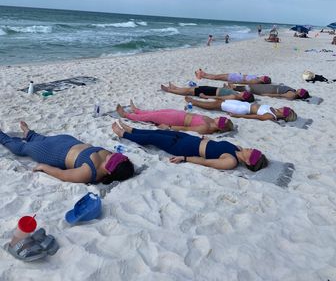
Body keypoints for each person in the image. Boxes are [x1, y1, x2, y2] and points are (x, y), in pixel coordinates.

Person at [0, 121, 134, 184]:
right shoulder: (111, 158)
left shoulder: (88, 173)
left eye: (111, 160)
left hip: (52, 153)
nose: (110, 155)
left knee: (21, 149)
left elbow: (62, 174)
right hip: (68, 141)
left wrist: (43, 167)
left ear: (110, 171)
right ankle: (28, 133)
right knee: (41, 138)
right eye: (115, 156)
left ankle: (2, 136)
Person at [112, 121, 268, 172]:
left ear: (248, 162)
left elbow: (206, 162)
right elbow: (216, 146)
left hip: (183, 148)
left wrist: (184, 158)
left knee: (153, 138)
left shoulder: (231, 161)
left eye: (253, 154)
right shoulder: (238, 149)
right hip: (191, 139)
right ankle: (131, 129)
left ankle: (123, 134)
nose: (252, 150)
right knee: (158, 132)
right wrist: (207, 140)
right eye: (254, 150)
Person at [116, 102, 233, 135]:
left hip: (176, 120)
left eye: (221, 120)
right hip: (179, 114)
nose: (218, 117)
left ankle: (126, 115)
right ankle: (137, 111)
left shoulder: (205, 128)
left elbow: (186, 129)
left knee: (151, 117)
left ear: (220, 126)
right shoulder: (210, 120)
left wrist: (170, 127)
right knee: (156, 112)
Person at [184, 97, 297, 122]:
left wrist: (238, 116)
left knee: (216, 105)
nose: (283, 107)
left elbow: (256, 116)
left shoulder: (271, 116)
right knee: (219, 102)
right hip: (244, 104)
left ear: (284, 114)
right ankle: (197, 101)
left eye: (285, 110)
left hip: (242, 109)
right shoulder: (275, 110)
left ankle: (194, 102)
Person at [161, 82, 255, 102]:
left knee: (189, 91)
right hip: (212, 89)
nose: (243, 93)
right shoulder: (236, 94)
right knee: (189, 89)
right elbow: (227, 91)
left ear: (243, 98)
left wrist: (206, 97)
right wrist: (226, 87)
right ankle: (175, 87)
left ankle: (169, 90)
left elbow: (220, 98)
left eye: (244, 95)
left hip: (211, 92)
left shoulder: (234, 97)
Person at [231, 84, 310, 101]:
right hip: (272, 88)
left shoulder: (292, 94)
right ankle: (234, 87)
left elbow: (279, 95)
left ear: (300, 94)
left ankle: (233, 88)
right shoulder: (294, 91)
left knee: (252, 88)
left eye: (301, 91)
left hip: (271, 90)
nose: (300, 89)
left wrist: (267, 95)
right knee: (252, 87)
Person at [195, 68, 271, 84]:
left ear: (263, 80)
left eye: (263, 77)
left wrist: (236, 81)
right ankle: (203, 73)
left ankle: (202, 76)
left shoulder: (256, 81)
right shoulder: (257, 78)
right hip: (236, 76)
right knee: (217, 76)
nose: (262, 76)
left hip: (235, 78)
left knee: (216, 77)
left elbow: (245, 81)